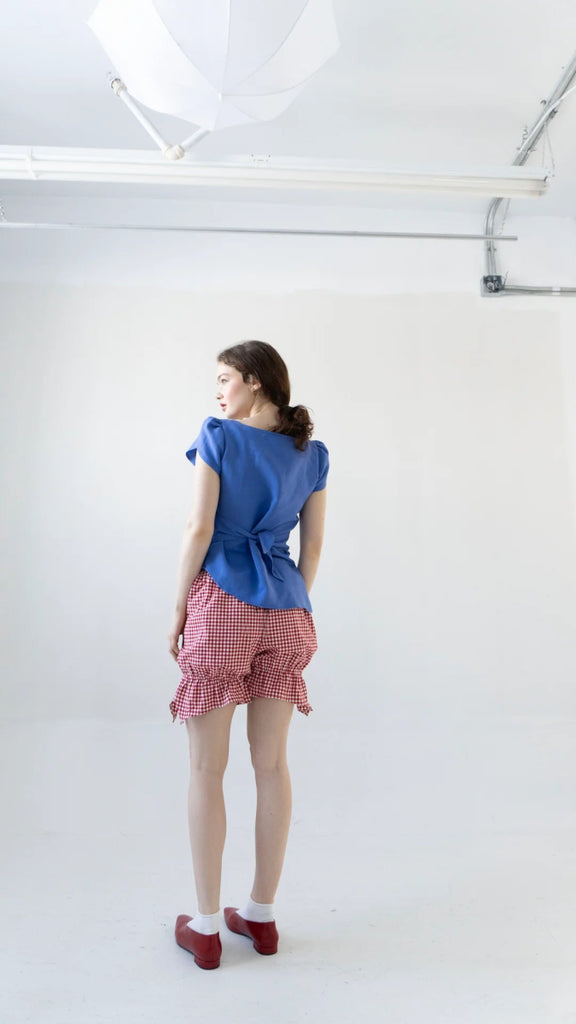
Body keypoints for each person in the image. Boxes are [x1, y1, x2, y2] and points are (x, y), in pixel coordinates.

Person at [167, 339, 329, 970]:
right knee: (272, 766)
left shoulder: (220, 437)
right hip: (289, 609)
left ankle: (207, 927)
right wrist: (288, 600)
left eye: (225, 378)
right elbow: (312, 550)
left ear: (256, 381)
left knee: (207, 769)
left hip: (223, 603)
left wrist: (180, 607)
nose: (218, 391)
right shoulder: (312, 454)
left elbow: (199, 528)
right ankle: (261, 916)